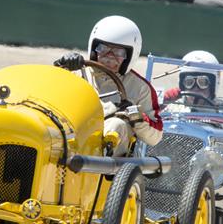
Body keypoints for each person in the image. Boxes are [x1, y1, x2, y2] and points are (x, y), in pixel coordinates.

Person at [53, 15, 162, 155]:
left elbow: (156, 137)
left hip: (107, 162)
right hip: (70, 137)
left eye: (118, 52)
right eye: (103, 48)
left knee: (117, 125)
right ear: (94, 48)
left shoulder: (141, 88)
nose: (109, 56)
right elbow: (46, 98)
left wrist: (135, 115)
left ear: (129, 55)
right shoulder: (74, 72)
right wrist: (60, 68)